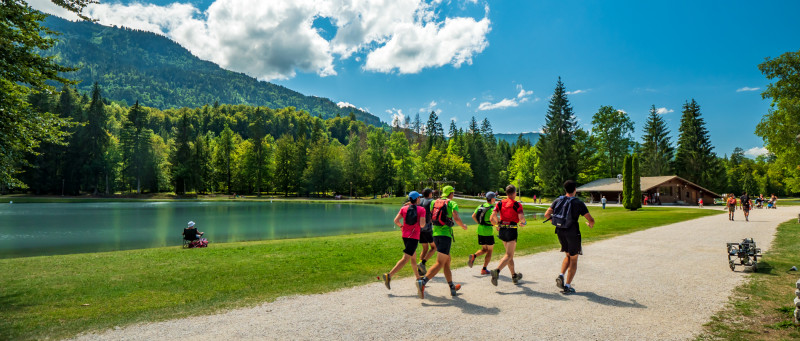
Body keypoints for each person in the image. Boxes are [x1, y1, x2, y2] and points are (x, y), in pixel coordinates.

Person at [416, 186, 469, 299]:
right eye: (453, 193)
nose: (453, 195)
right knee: (440, 262)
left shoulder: (434, 202)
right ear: (451, 193)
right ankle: (423, 282)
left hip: (435, 234)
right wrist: (463, 226)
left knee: (447, 261)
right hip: (445, 236)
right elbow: (456, 217)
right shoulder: (451, 203)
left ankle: (451, 287)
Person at [545, 180, 594, 294]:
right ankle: (567, 286)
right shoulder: (578, 203)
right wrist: (590, 224)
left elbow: (547, 214)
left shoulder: (558, 200)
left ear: (565, 190)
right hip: (572, 232)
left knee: (567, 254)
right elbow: (591, 220)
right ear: (575, 189)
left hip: (560, 231)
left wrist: (556, 221)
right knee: (574, 259)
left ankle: (561, 275)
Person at [381, 191, 427, 290]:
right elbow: (422, 225)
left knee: (413, 258)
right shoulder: (421, 209)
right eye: (419, 197)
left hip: (405, 236)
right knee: (406, 258)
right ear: (417, 199)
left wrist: (401, 226)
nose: (420, 199)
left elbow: (396, 220)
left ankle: (418, 279)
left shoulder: (404, 208)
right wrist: (422, 222)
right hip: (414, 237)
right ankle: (389, 276)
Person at [488, 185, 527, 286]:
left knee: (509, 255)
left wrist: (497, 224)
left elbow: (492, 217)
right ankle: (497, 271)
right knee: (509, 255)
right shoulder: (517, 204)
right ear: (514, 193)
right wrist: (524, 222)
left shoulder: (500, 203)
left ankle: (514, 276)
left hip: (502, 230)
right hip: (511, 230)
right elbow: (521, 217)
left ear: (506, 193)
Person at [469, 192, 497, 275]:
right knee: (490, 251)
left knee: (484, 249)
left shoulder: (480, 206)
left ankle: (474, 256)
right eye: (494, 198)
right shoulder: (492, 208)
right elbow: (493, 220)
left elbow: (473, 216)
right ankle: (484, 269)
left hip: (480, 230)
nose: (495, 199)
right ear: (492, 199)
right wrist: (496, 225)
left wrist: (480, 222)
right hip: (488, 232)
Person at [416, 188, 437, 276]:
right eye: (431, 193)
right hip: (428, 228)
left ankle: (420, 271)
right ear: (429, 194)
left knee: (425, 248)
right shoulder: (432, 201)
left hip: (420, 229)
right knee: (434, 248)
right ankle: (423, 263)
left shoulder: (419, 201)